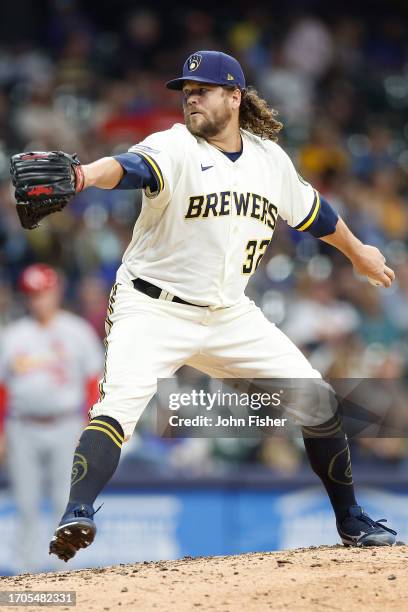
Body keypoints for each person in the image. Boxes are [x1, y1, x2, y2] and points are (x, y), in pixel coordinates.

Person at [12, 51, 396, 562]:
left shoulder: (268, 160)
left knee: (319, 402)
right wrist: (81, 177)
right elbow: (125, 168)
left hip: (229, 313)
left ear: (234, 97)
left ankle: (351, 520)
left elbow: (315, 213)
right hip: (152, 307)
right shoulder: (172, 146)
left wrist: (359, 252)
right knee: (120, 405)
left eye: (203, 88)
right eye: (186, 89)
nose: (191, 96)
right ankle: (77, 513)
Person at [0, 264, 103, 572]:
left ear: (56, 292)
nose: (38, 300)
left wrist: (90, 426)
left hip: (66, 425)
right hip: (23, 426)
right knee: (27, 504)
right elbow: (3, 389)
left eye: (43, 293)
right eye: (32, 294)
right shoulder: (13, 336)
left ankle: (67, 574)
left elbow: (93, 382)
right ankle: (26, 575)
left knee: (65, 503)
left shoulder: (77, 331)